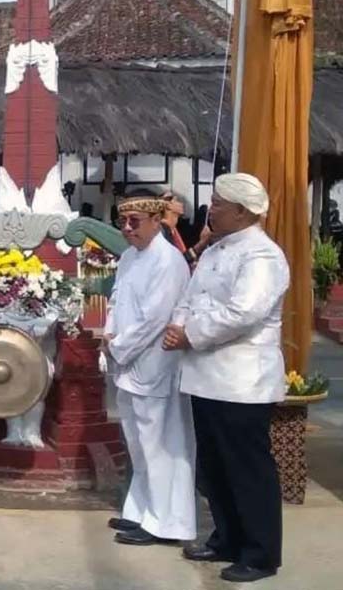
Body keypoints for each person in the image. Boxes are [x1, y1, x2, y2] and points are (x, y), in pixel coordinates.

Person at [164, 173, 289, 583]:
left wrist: (191, 334)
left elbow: (243, 313)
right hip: (205, 376)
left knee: (246, 468)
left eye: (218, 203)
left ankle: (260, 553)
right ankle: (227, 537)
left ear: (241, 211)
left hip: (241, 382)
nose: (210, 209)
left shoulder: (261, 256)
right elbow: (190, 296)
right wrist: (177, 326)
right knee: (213, 467)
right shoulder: (218, 250)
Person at [103, 189, 196, 547]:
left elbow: (155, 318)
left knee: (160, 445)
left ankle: (166, 523)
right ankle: (139, 512)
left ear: (157, 221)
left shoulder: (168, 261)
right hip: (127, 361)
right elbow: (117, 300)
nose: (127, 228)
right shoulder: (128, 257)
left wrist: (119, 346)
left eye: (134, 222)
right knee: (138, 443)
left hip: (155, 362)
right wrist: (110, 333)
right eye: (122, 221)